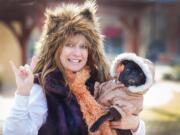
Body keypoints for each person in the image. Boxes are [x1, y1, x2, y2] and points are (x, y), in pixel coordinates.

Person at [3, 1, 145, 135]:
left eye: (83, 46)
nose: (77, 53)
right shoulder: (44, 87)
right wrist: (22, 93)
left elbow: (128, 124)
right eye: (69, 45)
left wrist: (136, 125)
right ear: (55, 49)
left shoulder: (101, 84)